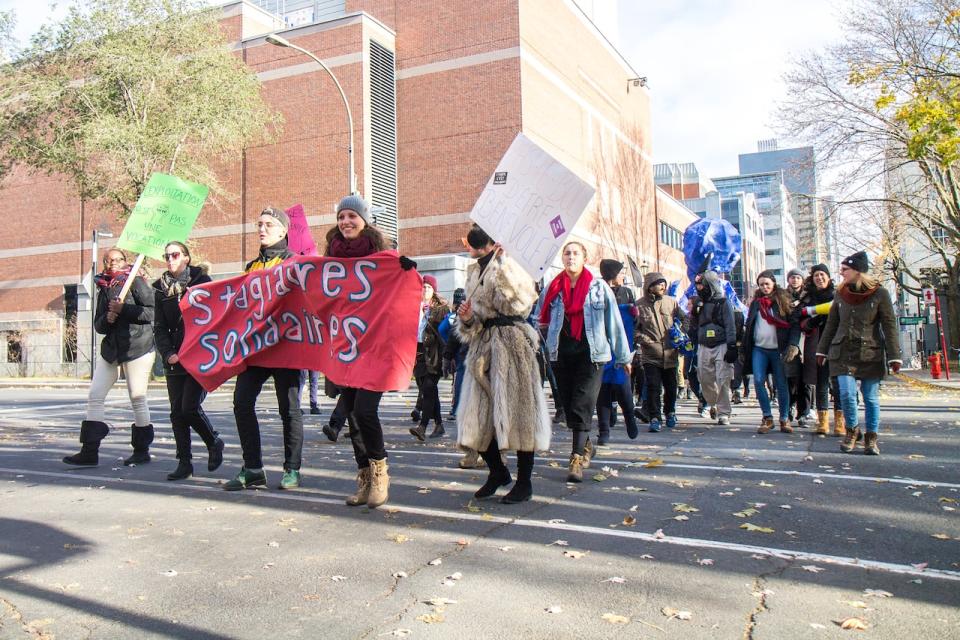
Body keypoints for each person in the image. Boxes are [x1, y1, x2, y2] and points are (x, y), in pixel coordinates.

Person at [327, 194, 413, 507]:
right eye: (341, 217)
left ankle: (380, 473)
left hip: (375, 346)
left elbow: (400, 293)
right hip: (346, 347)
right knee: (350, 414)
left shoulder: (383, 255)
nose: (346, 222)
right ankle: (363, 477)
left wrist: (404, 270)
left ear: (365, 220)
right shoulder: (331, 257)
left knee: (364, 410)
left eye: (352, 216)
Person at [457, 225, 550, 503]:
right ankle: (498, 472)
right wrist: (467, 318)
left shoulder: (515, 264)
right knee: (476, 417)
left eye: (479, 237)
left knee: (520, 415)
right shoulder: (473, 271)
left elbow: (519, 302)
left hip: (514, 345)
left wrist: (504, 262)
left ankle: (524, 482)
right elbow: (473, 324)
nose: (474, 241)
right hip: (483, 348)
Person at [224, 207, 304, 491]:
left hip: (287, 349)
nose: (262, 229)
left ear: (283, 231)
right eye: (259, 224)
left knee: (289, 410)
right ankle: (253, 468)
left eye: (269, 224)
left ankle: (292, 469)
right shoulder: (251, 267)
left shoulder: (297, 263)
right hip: (256, 349)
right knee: (242, 403)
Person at [541, 241, 631, 483]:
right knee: (570, 408)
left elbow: (614, 322)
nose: (571, 257)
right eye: (567, 253)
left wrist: (623, 356)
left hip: (591, 355)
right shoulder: (553, 287)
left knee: (582, 403)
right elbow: (539, 317)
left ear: (584, 258)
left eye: (575, 253)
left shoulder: (599, 287)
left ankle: (576, 457)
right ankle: (587, 443)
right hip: (560, 354)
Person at [64, 248, 156, 467]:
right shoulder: (104, 286)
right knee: (95, 395)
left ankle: (141, 450)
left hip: (137, 346)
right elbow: (99, 326)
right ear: (104, 263)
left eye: (118, 259)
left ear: (125, 261)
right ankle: (89, 451)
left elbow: (152, 312)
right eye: (109, 260)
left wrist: (124, 309)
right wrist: (109, 317)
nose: (113, 263)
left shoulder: (136, 280)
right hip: (111, 350)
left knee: (137, 396)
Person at [152, 242, 224, 480]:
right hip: (174, 358)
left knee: (189, 407)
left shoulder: (201, 282)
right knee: (176, 413)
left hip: (198, 355)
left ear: (186, 258)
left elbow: (214, 317)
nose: (170, 259)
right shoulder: (160, 289)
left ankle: (213, 441)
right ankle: (184, 462)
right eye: (167, 256)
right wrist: (168, 352)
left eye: (175, 255)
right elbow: (160, 327)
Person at [817, 251, 901, 455]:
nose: (841, 272)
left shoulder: (880, 293)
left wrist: (894, 355)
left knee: (870, 397)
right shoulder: (840, 292)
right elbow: (832, 323)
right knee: (846, 393)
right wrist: (822, 350)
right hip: (843, 351)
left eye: (845, 269)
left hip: (870, 352)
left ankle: (871, 438)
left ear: (858, 271)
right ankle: (852, 431)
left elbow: (889, 325)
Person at [743, 270, 800, 434]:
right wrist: (743, 348)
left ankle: (784, 418)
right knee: (759, 381)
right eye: (761, 284)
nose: (765, 287)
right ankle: (767, 418)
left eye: (767, 283)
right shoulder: (756, 303)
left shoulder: (784, 300)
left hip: (779, 350)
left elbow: (794, 325)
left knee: (781, 384)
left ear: (774, 283)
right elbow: (749, 326)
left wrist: (793, 345)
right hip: (759, 348)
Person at [798, 264, 843, 436]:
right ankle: (823, 421)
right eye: (816, 275)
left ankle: (840, 421)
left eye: (822, 274)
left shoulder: (837, 295)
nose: (819, 278)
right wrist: (807, 322)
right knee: (822, 382)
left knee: (838, 384)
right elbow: (799, 316)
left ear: (829, 277)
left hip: (837, 343)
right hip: (818, 344)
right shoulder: (808, 297)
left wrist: (814, 317)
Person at [635, 271, 681, 433]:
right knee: (653, 386)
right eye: (658, 284)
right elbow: (635, 329)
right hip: (650, 354)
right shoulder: (639, 305)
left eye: (663, 284)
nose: (662, 286)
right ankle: (655, 417)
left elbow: (683, 320)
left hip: (670, 353)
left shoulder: (671, 302)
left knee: (671, 386)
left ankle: (670, 412)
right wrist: (644, 340)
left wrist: (681, 334)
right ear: (649, 287)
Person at [694, 271, 737, 425]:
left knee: (723, 378)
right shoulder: (698, 303)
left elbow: (730, 324)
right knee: (704, 378)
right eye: (697, 285)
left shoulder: (724, 302)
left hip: (722, 344)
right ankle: (713, 403)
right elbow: (693, 324)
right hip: (703, 344)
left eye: (702, 284)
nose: (699, 288)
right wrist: (694, 311)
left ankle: (724, 412)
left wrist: (732, 346)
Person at [410, 276, 449, 440]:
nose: (425, 290)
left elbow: (444, 330)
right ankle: (439, 424)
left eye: (428, 287)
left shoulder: (441, 309)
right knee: (428, 391)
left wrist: (428, 314)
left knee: (428, 389)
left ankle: (423, 427)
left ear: (434, 291)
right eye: (423, 287)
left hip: (435, 354)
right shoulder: (413, 307)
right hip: (418, 352)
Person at [785, 267, 810, 427]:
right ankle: (788, 408)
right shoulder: (782, 296)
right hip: (788, 340)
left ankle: (804, 412)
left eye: (798, 277)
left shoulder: (809, 296)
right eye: (792, 277)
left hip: (807, 338)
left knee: (805, 379)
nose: (795, 280)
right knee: (789, 377)